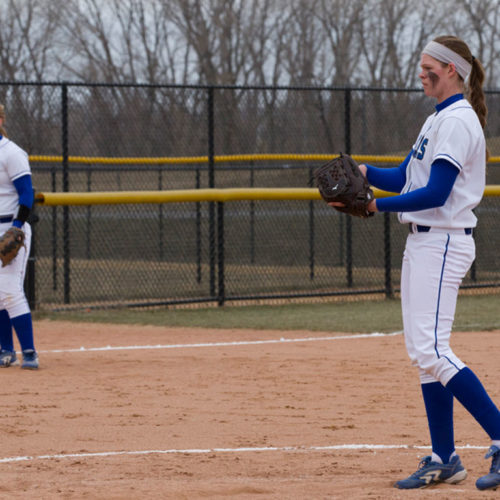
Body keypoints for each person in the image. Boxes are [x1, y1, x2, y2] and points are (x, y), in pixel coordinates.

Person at [331, 35, 500, 490]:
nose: (422, 73)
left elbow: (436, 193)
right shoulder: (437, 120)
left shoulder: (459, 122)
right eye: (422, 66)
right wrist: (366, 174)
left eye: (430, 67)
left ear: (452, 71)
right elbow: (406, 176)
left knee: (432, 350)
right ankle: (445, 457)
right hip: (425, 242)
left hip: (443, 240)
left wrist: (373, 208)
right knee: (426, 356)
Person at [0, 103, 38, 370]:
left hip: (12, 228)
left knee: (10, 289)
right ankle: (5, 350)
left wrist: (16, 228)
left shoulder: (11, 153)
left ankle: (29, 352)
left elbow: (27, 194)